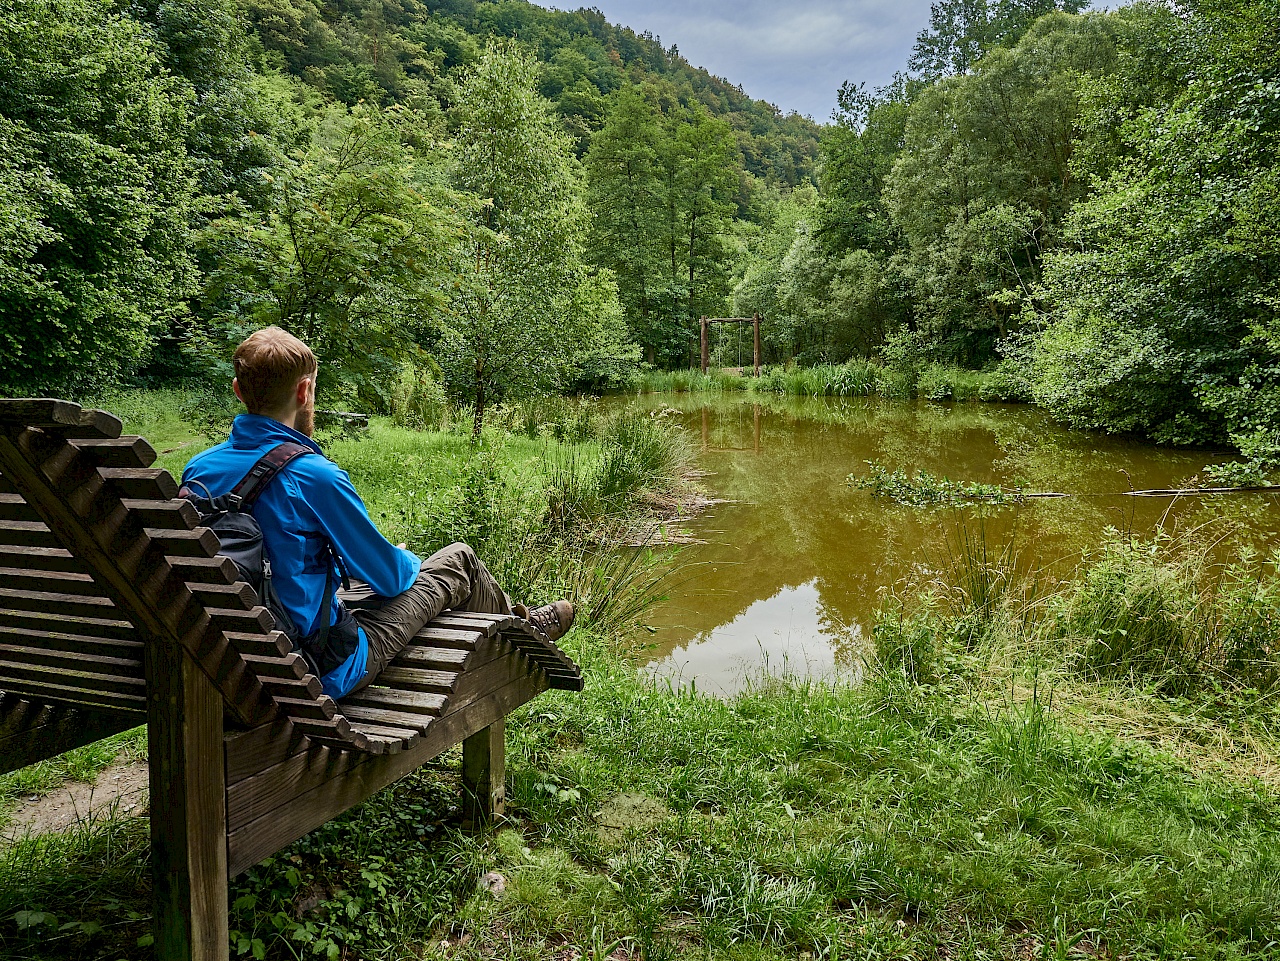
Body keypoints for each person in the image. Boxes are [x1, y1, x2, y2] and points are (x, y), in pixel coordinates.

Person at [181, 326, 574, 700]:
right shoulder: (314, 476)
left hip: (233, 661)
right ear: (303, 391)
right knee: (458, 562)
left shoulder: (199, 471)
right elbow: (390, 580)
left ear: (237, 390)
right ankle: (528, 631)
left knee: (366, 578)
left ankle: (522, 621)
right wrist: (400, 557)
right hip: (317, 668)